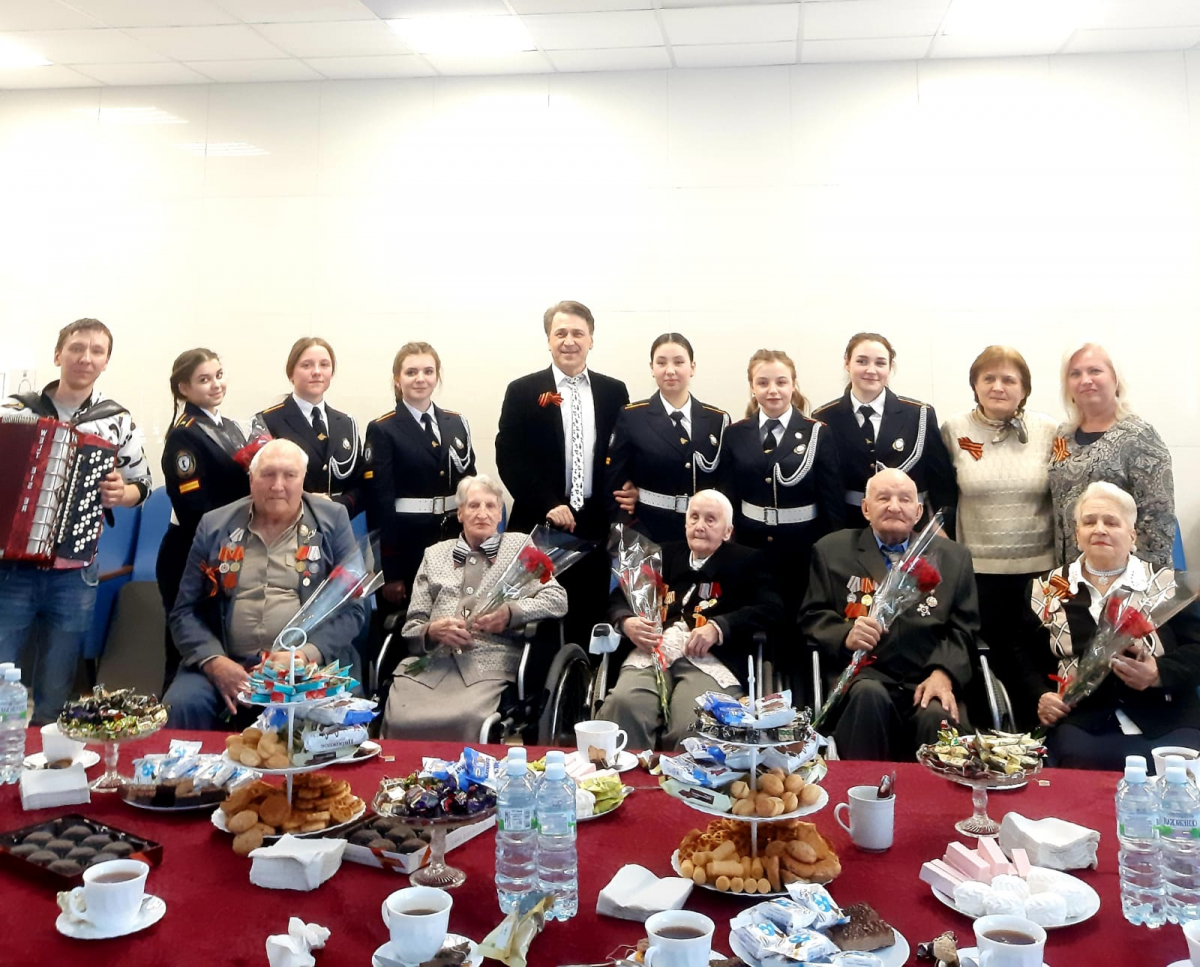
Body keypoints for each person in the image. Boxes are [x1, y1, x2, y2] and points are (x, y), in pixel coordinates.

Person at [0, 318, 152, 724]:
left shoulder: (116, 420)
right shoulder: (14, 411)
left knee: (57, 683)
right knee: (1, 670)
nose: (86, 357)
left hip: (75, 569)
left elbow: (143, 484)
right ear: (58, 355)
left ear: (105, 362)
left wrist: (122, 493)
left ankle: (47, 751)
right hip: (12, 568)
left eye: (97, 351)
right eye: (77, 348)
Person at [164, 439, 366, 730]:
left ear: (303, 480)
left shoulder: (332, 520)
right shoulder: (214, 525)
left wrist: (304, 655)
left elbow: (353, 609)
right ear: (251, 479)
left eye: (289, 475)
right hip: (228, 660)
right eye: (267, 474)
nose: (277, 485)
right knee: (182, 703)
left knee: (333, 714)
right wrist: (215, 662)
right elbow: (184, 611)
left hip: (307, 664)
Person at [799, 468, 977, 761]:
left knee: (937, 713)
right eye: (883, 498)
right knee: (869, 696)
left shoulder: (953, 557)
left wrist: (943, 673)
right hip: (863, 678)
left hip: (926, 674)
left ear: (918, 512)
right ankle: (861, 789)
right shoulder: (832, 551)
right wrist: (846, 634)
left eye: (904, 499)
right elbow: (812, 615)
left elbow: (964, 628)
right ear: (865, 508)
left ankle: (934, 794)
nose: (894, 506)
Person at [1023, 483, 1200, 770]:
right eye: (1089, 522)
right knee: (1076, 767)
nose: (1100, 529)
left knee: (1180, 773)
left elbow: (1197, 649)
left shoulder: (1170, 586)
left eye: (1111, 522)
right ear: (1077, 534)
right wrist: (1041, 695)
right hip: (1080, 719)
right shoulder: (1044, 589)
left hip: (1168, 715)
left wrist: (1159, 672)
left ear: (1132, 535)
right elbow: (1022, 656)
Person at [380, 475, 568, 742]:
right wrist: (432, 631)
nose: (482, 513)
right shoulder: (434, 554)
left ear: (500, 513)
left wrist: (511, 614)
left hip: (488, 664)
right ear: (460, 513)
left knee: (467, 718)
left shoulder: (521, 548)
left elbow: (557, 598)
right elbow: (412, 625)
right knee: (400, 717)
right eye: (473, 506)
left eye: (490, 506)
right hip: (430, 665)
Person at [599, 490, 784, 750]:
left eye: (711, 520)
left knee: (692, 721)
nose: (700, 526)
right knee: (624, 703)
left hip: (710, 660)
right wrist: (627, 622)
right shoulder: (662, 555)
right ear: (685, 524)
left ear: (728, 531)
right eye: (694, 517)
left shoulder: (749, 561)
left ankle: (681, 776)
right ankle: (628, 771)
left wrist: (719, 627)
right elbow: (620, 598)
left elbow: (771, 609)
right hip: (653, 653)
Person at [495, 300, 629, 646]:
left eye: (578, 333)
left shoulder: (614, 391)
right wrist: (549, 504)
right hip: (539, 526)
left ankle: (584, 680)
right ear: (549, 340)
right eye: (561, 333)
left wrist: (630, 489)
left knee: (589, 616)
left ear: (591, 339)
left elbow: (623, 453)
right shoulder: (523, 391)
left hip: (594, 526)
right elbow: (509, 458)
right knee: (536, 622)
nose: (569, 341)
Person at [939, 346, 1057, 728]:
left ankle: (1035, 744)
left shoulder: (1049, 430)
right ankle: (987, 744)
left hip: (1039, 573)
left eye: (1009, 379)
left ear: (1025, 389)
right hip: (978, 574)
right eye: (988, 378)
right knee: (985, 666)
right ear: (974, 385)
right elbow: (942, 497)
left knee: (1032, 667)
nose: (998, 386)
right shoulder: (953, 430)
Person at [721, 349, 843, 622]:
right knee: (754, 613)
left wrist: (832, 549)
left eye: (781, 382)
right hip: (750, 545)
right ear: (752, 387)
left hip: (802, 545)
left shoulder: (817, 432)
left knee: (797, 617)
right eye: (763, 382)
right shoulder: (735, 433)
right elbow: (729, 496)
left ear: (793, 384)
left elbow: (831, 499)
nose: (773, 390)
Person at [157, 349, 250, 688]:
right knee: (186, 648)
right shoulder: (184, 434)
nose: (216, 385)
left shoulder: (230, 427)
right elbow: (193, 509)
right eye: (204, 379)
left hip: (226, 546)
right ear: (184, 388)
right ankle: (175, 713)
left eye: (219, 375)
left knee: (220, 639)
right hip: (191, 551)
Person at [364, 342, 476, 611]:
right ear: (397, 379)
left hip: (453, 541)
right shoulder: (383, 429)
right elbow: (380, 504)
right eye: (411, 372)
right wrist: (390, 571)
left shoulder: (456, 423)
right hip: (408, 546)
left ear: (437, 376)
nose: (420, 379)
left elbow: (470, 484)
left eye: (428, 371)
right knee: (411, 622)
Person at [813, 332, 956, 535]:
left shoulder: (919, 415)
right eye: (862, 361)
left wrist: (942, 529)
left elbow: (941, 484)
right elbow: (822, 488)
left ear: (890, 367)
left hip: (910, 528)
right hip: (849, 528)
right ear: (847, 363)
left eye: (880, 363)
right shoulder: (824, 417)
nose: (871, 370)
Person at [1048, 341, 1174, 569]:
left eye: (1095, 371)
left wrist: (1140, 579)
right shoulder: (1063, 435)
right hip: (1070, 572)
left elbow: (1158, 521)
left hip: (1121, 574)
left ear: (1115, 379)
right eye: (1075, 374)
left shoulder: (1139, 437)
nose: (1085, 380)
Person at [605, 333, 730, 544]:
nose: (670, 370)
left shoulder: (717, 420)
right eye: (661, 363)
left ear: (692, 367)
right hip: (648, 533)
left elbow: (726, 485)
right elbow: (614, 485)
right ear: (652, 368)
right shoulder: (632, 417)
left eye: (679, 362)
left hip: (704, 535)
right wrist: (630, 535)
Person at [256, 336, 363, 516]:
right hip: (288, 522)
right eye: (306, 365)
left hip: (339, 522)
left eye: (324, 365)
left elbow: (361, 484)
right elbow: (259, 483)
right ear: (291, 373)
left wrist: (337, 504)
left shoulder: (346, 424)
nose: (317, 372)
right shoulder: (267, 421)